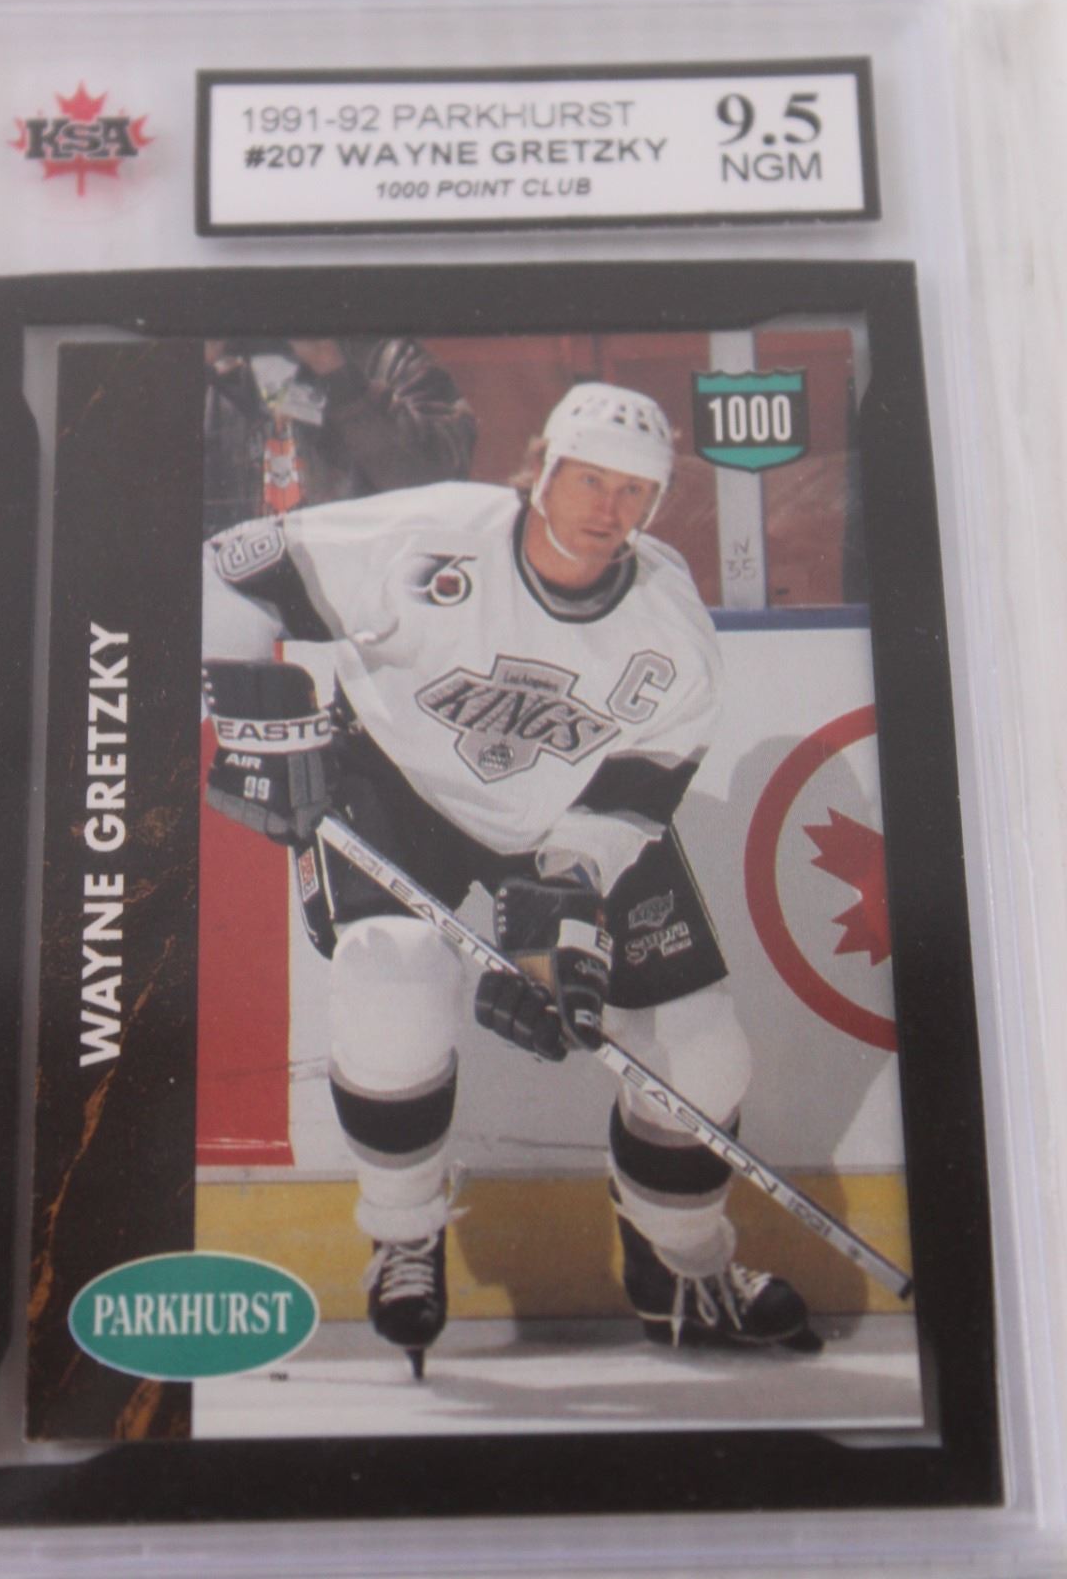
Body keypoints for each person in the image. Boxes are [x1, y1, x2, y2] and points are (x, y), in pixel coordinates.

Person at [201, 381, 820, 1375]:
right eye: (589, 480)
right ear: (541, 468)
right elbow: (229, 569)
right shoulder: (432, 536)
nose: (607, 508)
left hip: (565, 819)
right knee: (391, 975)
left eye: (633, 490)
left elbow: (633, 799)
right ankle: (404, 1233)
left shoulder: (670, 630)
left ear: (655, 504)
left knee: (702, 1053)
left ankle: (685, 1263)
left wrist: (565, 919)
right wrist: (249, 710)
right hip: (397, 781)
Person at [202, 335, 477, 532]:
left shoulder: (392, 358)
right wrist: (189, 368)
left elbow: (437, 490)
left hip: (358, 581)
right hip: (237, 584)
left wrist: (339, 375)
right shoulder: (217, 365)